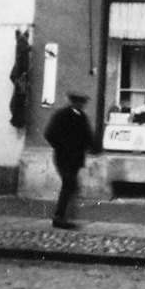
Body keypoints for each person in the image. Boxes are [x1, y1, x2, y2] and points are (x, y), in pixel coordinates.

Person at [44, 91, 99, 229]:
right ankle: (59, 217)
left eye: (83, 103)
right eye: (79, 102)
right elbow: (49, 134)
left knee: (70, 187)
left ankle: (62, 216)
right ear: (73, 102)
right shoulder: (62, 115)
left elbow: (87, 135)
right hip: (63, 157)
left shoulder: (82, 116)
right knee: (69, 185)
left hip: (75, 159)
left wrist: (94, 147)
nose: (81, 105)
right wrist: (62, 147)